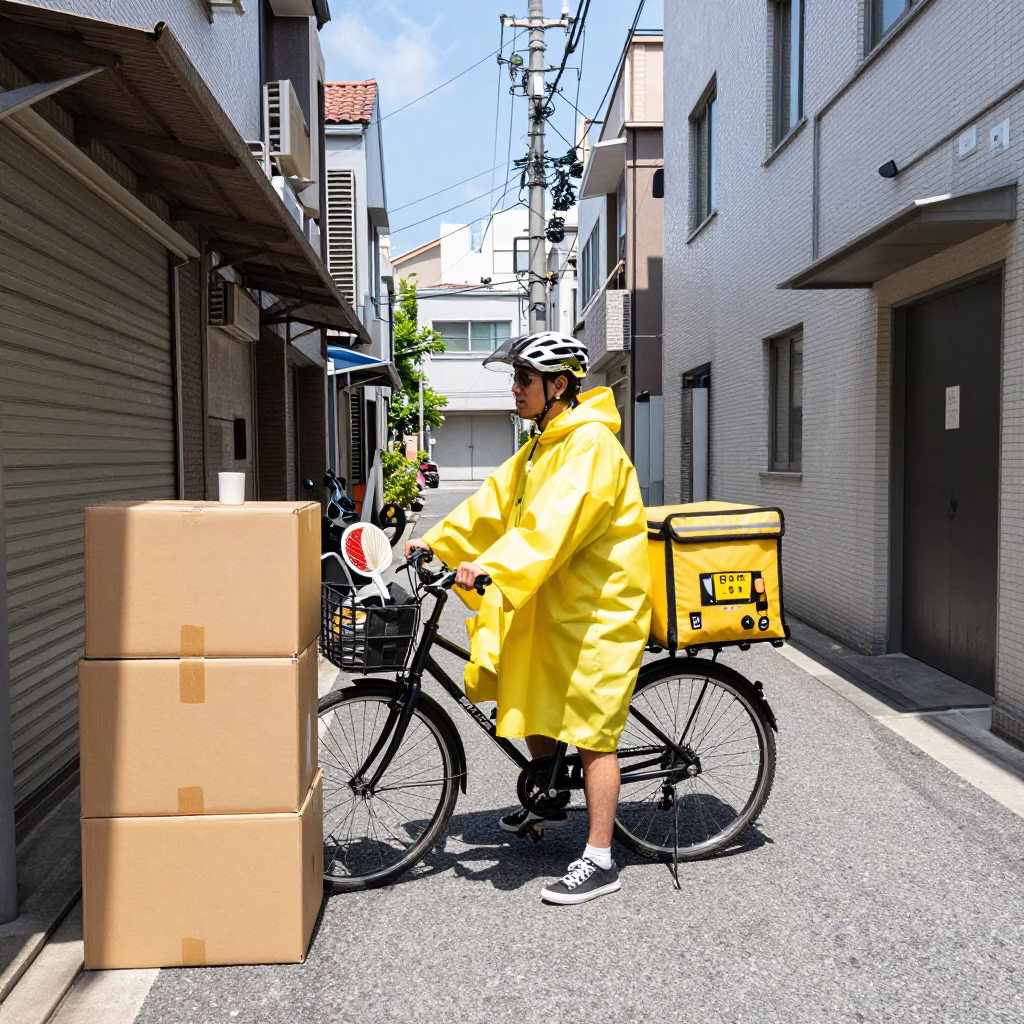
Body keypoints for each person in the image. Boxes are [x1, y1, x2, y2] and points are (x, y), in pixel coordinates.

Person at [404, 331, 651, 905]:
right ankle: (550, 795)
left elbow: (551, 528)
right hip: (558, 600)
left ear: (557, 386)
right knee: (533, 686)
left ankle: (599, 859)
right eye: (515, 379)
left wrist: (488, 570)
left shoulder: (590, 445)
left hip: (599, 610)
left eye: (523, 380)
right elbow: (493, 503)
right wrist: (436, 544)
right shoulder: (544, 443)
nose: (514, 390)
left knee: (593, 730)